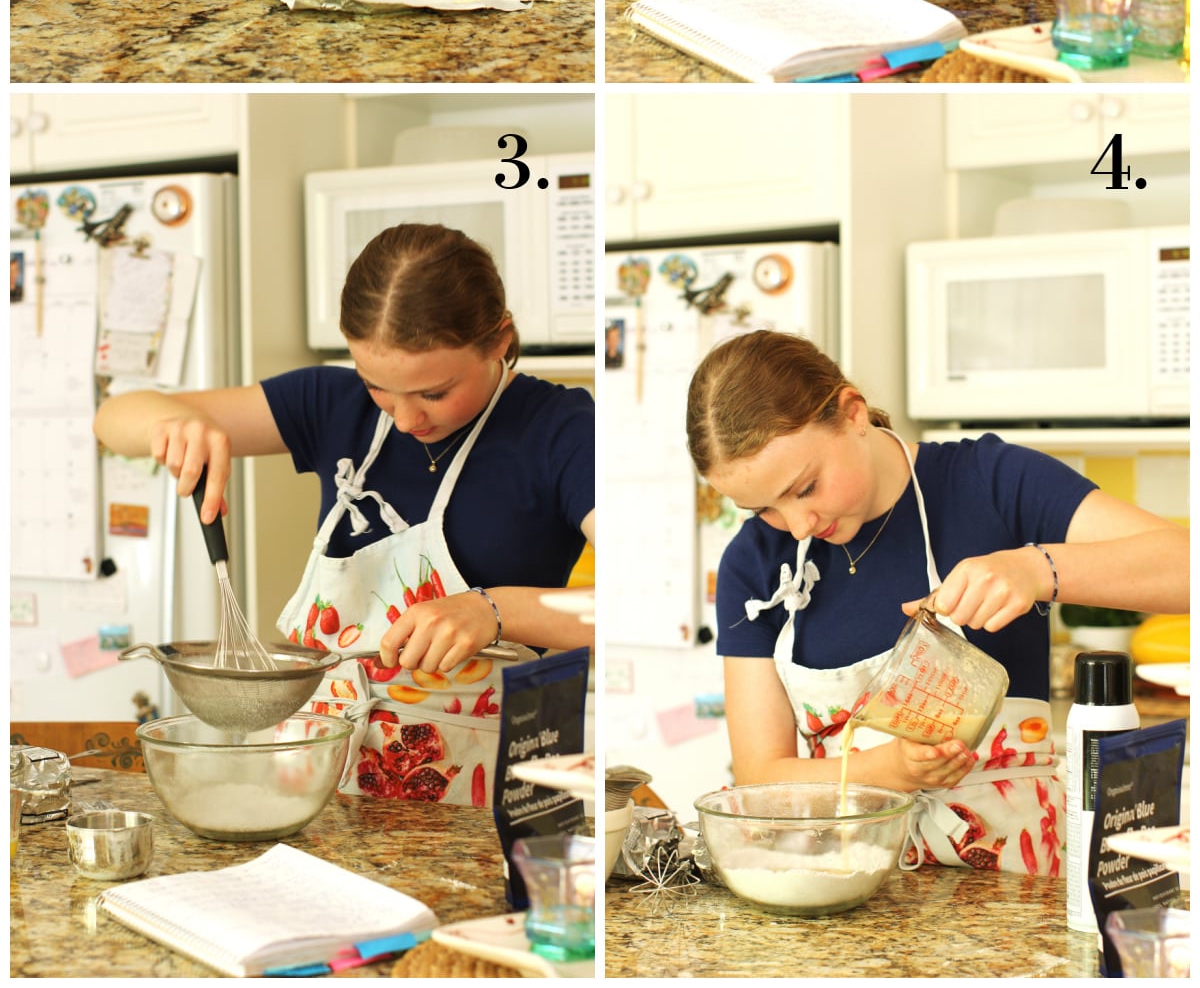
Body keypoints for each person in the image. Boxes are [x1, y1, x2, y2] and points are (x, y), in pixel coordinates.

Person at [94, 223, 595, 804]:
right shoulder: (333, 404)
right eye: (378, 385)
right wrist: (173, 424)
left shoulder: (562, 431)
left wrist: (495, 609)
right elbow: (113, 417)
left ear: (499, 340)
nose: (406, 420)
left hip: (479, 801)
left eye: (434, 393)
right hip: (315, 789)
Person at [686, 331, 1188, 874]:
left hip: (1014, 897)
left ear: (853, 412)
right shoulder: (754, 562)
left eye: (805, 488)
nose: (798, 524)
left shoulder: (992, 482)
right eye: (763, 507)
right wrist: (894, 769)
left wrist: (1036, 568)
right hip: (847, 885)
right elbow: (762, 774)